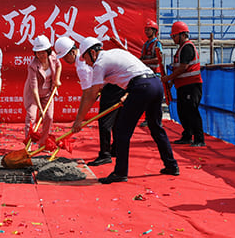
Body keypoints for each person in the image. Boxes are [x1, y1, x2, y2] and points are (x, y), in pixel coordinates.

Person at [72, 37, 179, 184]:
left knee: (122, 131)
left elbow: (91, 95)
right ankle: (171, 165)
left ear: (92, 52)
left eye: (85, 58)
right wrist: (127, 94)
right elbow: (132, 74)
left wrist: (79, 120)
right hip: (155, 84)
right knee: (156, 128)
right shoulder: (115, 53)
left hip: (141, 87)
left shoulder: (99, 64)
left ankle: (120, 173)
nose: (86, 63)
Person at [54, 36, 124, 166]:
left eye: (65, 56)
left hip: (112, 86)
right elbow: (93, 92)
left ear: (73, 52)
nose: (64, 60)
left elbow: (88, 94)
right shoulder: (82, 61)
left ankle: (105, 154)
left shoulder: (82, 66)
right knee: (115, 121)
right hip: (116, 85)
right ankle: (115, 149)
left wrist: (79, 120)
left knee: (105, 122)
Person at [161, 21, 205, 147]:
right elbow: (178, 69)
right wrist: (172, 82)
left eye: (174, 36)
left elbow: (183, 68)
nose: (173, 39)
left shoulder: (187, 47)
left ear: (182, 35)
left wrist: (168, 78)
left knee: (192, 111)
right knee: (182, 111)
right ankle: (187, 136)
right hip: (183, 86)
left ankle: (199, 139)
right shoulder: (180, 49)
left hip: (192, 86)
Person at [23, 35, 62, 148]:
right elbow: (34, 89)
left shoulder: (53, 57)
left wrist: (57, 80)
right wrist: (40, 108)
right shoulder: (33, 66)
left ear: (48, 51)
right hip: (33, 95)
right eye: (38, 53)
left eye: (43, 52)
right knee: (31, 117)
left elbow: (59, 66)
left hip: (48, 93)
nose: (41, 55)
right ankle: (28, 145)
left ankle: (43, 143)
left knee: (49, 117)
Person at [138, 19, 163, 127]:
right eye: (146, 30)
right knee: (147, 98)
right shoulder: (145, 45)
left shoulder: (157, 44)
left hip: (155, 75)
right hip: (146, 75)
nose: (147, 32)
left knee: (156, 100)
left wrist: (144, 62)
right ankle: (148, 119)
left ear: (154, 31)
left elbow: (158, 59)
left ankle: (158, 121)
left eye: (149, 30)